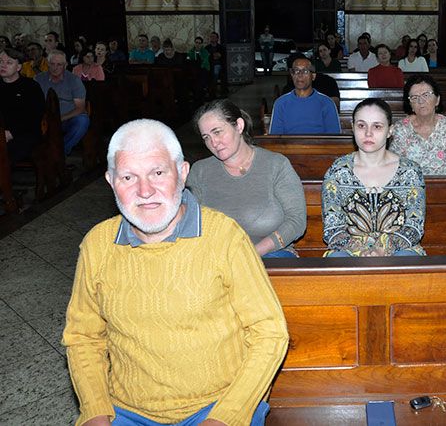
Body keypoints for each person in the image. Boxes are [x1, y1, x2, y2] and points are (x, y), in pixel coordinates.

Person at [63, 119, 290, 426]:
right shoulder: (98, 244)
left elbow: (269, 332)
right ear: (110, 181)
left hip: (217, 405)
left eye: (158, 173)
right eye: (128, 177)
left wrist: (226, 416)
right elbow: (83, 337)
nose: (145, 191)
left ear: (182, 173)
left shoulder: (224, 237)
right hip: (126, 409)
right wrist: (95, 411)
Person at [188, 100, 306, 258]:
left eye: (217, 132)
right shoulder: (199, 171)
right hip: (217, 256)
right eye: (206, 137)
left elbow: (296, 221)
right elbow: (190, 223)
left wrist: (252, 253)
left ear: (239, 126)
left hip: (271, 253)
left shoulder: (276, 165)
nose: (213, 142)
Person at [322, 98, 426, 257]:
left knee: (406, 259)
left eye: (377, 126)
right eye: (361, 125)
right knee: (338, 259)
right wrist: (361, 250)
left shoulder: (410, 171)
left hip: (398, 250)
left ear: (390, 131)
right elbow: (332, 229)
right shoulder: (337, 171)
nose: (368, 133)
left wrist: (383, 249)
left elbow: (413, 227)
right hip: (349, 251)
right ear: (353, 128)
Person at [390, 74, 446, 175]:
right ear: (410, 104)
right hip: (409, 184)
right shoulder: (401, 128)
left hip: (443, 184)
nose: (421, 101)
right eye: (414, 97)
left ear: (437, 100)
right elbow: (393, 166)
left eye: (426, 95)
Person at [34, 50, 89, 155]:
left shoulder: (74, 80)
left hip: (67, 118)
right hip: (44, 119)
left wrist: (60, 118)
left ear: (65, 65)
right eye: (52, 64)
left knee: (82, 121)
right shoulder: (38, 79)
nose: (55, 68)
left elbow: (80, 108)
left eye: (59, 64)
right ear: (47, 63)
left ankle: (59, 152)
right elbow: (33, 103)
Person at [270, 58, 341, 134]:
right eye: (296, 71)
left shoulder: (326, 103)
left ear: (313, 76)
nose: (300, 75)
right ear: (292, 75)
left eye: (305, 71)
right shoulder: (281, 103)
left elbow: (333, 136)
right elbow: (275, 137)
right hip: (289, 142)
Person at [0, 48, 45, 163]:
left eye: (9, 62)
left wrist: (11, 133)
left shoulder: (31, 87)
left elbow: (34, 116)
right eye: (0, 61)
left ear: (19, 67)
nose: (3, 65)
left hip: (24, 133)